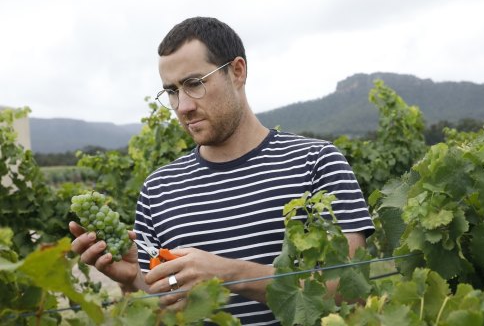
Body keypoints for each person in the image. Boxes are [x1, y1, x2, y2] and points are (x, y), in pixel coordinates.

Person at [70, 16, 374, 325]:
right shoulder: (157, 190)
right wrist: (132, 279)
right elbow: (162, 309)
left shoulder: (316, 163)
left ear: (237, 71)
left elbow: (350, 292)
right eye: (172, 91)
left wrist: (228, 273)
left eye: (194, 84)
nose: (183, 106)